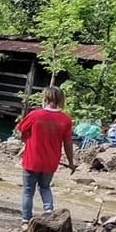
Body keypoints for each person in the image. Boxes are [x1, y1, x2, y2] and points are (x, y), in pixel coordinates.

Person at [15, 86, 76, 224]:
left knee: (28, 191)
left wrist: (27, 141)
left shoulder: (35, 115)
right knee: (45, 187)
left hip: (32, 160)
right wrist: (71, 163)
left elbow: (22, 132)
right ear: (61, 100)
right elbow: (68, 143)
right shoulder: (65, 120)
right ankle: (49, 212)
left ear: (45, 99)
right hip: (51, 162)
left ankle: (26, 221)